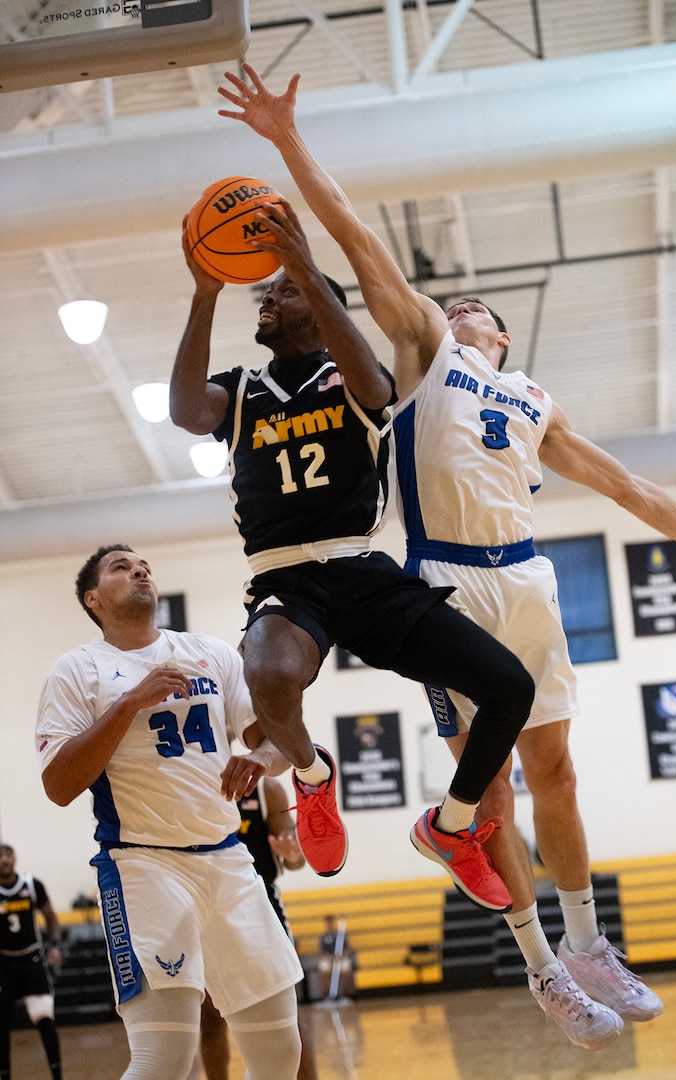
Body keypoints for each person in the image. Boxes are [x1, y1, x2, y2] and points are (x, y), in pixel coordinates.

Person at [217, 63, 676, 1051]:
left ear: (499, 330)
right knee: (490, 793)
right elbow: (356, 238)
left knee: (560, 772)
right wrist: (285, 139)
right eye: (449, 307)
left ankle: (587, 944)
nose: (458, 312)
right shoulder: (421, 351)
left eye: (473, 309)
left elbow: (633, 490)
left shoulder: (532, 401)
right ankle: (541, 968)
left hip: (531, 581)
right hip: (450, 581)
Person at [170, 168, 535, 911]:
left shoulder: (352, 376)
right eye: (267, 295)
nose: (269, 300)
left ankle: (453, 825)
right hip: (283, 577)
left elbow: (373, 385)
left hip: (363, 569)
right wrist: (205, 291)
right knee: (269, 674)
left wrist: (306, 263)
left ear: (320, 306)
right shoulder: (241, 389)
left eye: (284, 292)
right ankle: (311, 777)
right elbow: (185, 412)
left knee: (510, 688)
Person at [35, 544, 304, 1080]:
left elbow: (274, 743)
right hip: (144, 866)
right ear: (94, 599)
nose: (139, 570)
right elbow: (59, 785)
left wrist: (258, 755)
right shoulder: (77, 670)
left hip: (230, 863)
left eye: (143, 565)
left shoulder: (210, 652)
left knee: (280, 1057)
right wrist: (129, 703)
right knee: (164, 1062)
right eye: (120, 567)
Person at [194, 775, 318, 1080]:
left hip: (261, 904)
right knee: (209, 1018)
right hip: (204, 907)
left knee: (288, 1016)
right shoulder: (189, 783)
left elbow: (294, 856)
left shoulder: (265, 789)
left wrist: (292, 850)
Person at [0, 843, 63, 1080]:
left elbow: (50, 916)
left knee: (45, 1020)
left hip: (31, 960)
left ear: (14, 858)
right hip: (3, 964)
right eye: (0, 857)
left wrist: (55, 945)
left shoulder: (31, 885)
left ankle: (57, 1076)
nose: (4, 860)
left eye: (7, 855)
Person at [317, 915, 356, 1001]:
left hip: (341, 958)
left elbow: (349, 949)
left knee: (345, 970)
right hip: (329, 959)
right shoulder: (323, 937)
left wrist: (341, 955)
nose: (330, 925)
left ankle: (344, 995)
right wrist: (331, 957)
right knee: (323, 970)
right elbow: (321, 953)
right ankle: (327, 995)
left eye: (331, 922)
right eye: (328, 923)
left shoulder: (341, 936)